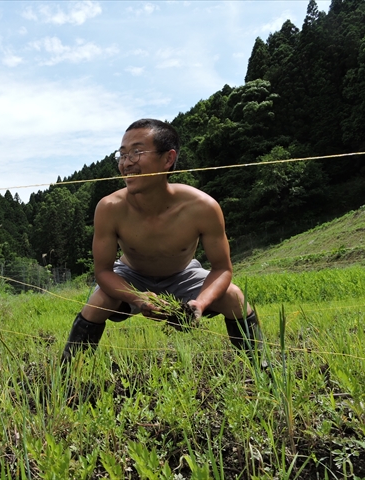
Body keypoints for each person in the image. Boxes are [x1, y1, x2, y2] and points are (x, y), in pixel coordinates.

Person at [62, 118, 264, 365]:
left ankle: (263, 367)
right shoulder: (109, 208)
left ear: (168, 159)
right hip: (131, 275)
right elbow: (103, 271)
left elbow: (223, 269)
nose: (126, 163)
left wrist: (199, 304)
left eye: (137, 152)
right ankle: (68, 374)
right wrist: (138, 298)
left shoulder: (203, 207)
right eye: (122, 154)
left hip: (184, 275)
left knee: (235, 297)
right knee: (99, 301)